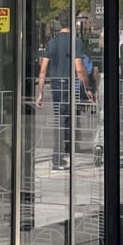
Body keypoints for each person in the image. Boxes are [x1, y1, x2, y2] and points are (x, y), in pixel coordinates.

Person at [36, 22, 93, 171]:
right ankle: (61, 154)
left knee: (59, 118)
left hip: (55, 85)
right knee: (67, 118)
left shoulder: (52, 43)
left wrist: (40, 92)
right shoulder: (76, 41)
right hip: (69, 84)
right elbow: (79, 69)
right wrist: (87, 88)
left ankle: (59, 154)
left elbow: (43, 70)